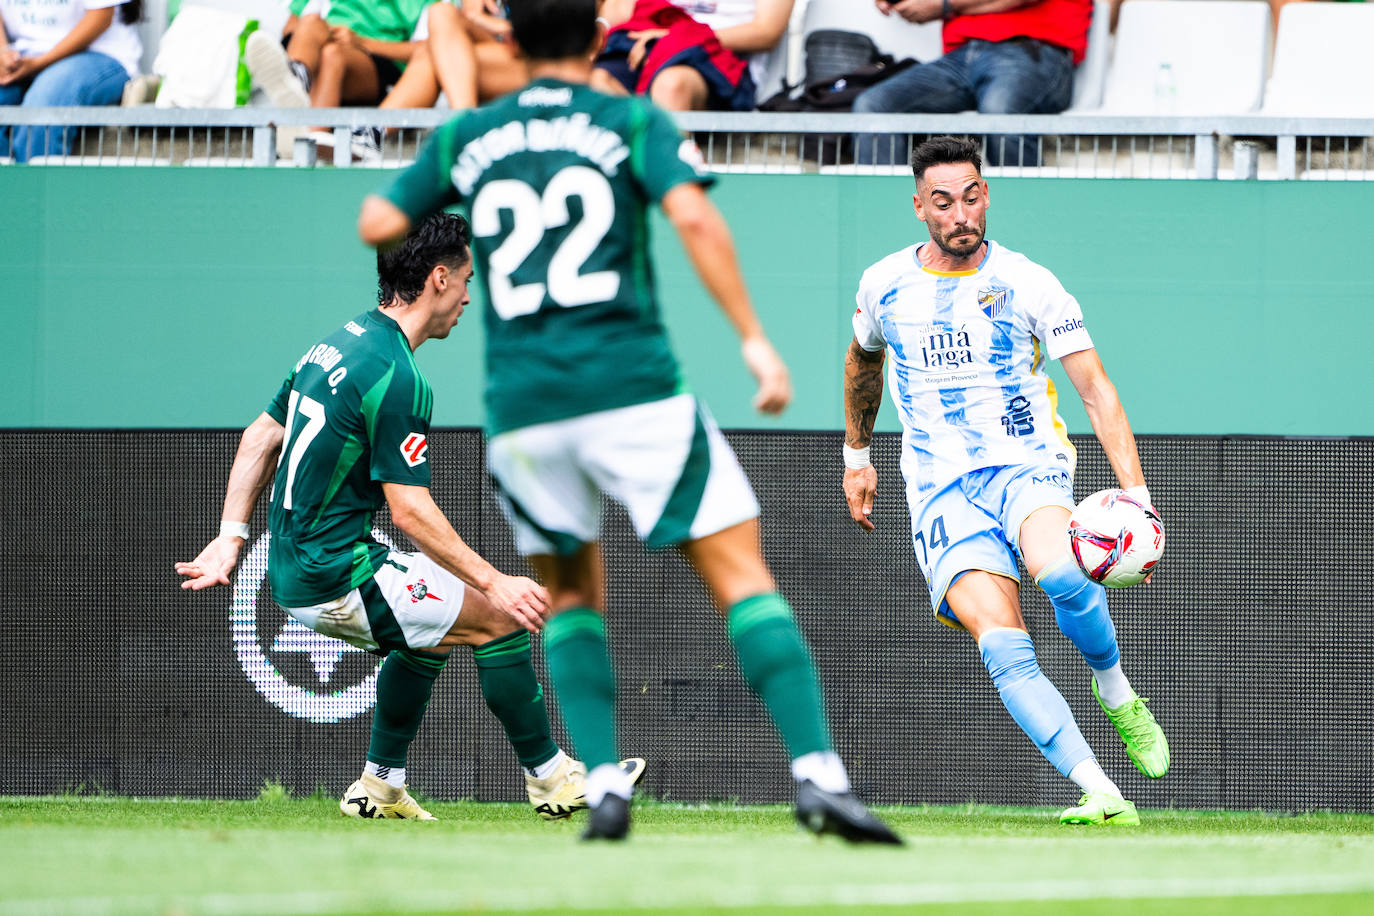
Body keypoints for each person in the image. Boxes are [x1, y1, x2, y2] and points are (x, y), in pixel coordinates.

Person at [356, 0, 900, 844]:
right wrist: (755, 342)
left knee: (571, 594)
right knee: (741, 576)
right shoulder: (631, 116)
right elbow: (690, 215)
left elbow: (378, 224)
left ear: (507, 39)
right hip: (634, 388)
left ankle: (604, 784)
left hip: (526, 410)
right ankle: (818, 776)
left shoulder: (473, 135)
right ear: (602, 39)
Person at [175, 212, 643, 822]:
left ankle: (380, 785)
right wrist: (495, 580)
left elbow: (261, 434)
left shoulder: (336, 342)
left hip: (305, 564)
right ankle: (553, 782)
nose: (471, 296)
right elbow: (410, 509)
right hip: (335, 573)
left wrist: (231, 535)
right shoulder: (399, 378)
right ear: (439, 279)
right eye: (469, 280)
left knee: (436, 628)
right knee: (497, 616)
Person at [841, 136, 1168, 826]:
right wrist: (856, 456)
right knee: (1000, 640)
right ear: (919, 208)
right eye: (943, 201)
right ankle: (1100, 790)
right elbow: (862, 366)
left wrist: (1136, 498)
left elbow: (1097, 391)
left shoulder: (1031, 282)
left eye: (972, 195)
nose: (961, 212)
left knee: (1060, 573)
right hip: (937, 489)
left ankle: (1114, 689)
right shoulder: (882, 286)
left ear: (985, 194)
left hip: (1026, 465)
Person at [851, 0, 1092, 166]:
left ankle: (1025, 229)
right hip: (961, 56)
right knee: (872, 105)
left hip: (1033, 51)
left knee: (1000, 114)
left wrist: (944, 5)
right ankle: (882, 222)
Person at [0, 0, 141, 162]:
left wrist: (37, 64)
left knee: (42, 110)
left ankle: (38, 186)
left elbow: (100, 17)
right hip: (22, 54)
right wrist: (3, 53)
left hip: (97, 52)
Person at [591, 0, 794, 111]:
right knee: (596, 80)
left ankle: (664, 180)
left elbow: (766, 33)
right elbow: (619, 7)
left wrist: (677, 38)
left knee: (672, 85)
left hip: (721, 66)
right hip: (645, 47)